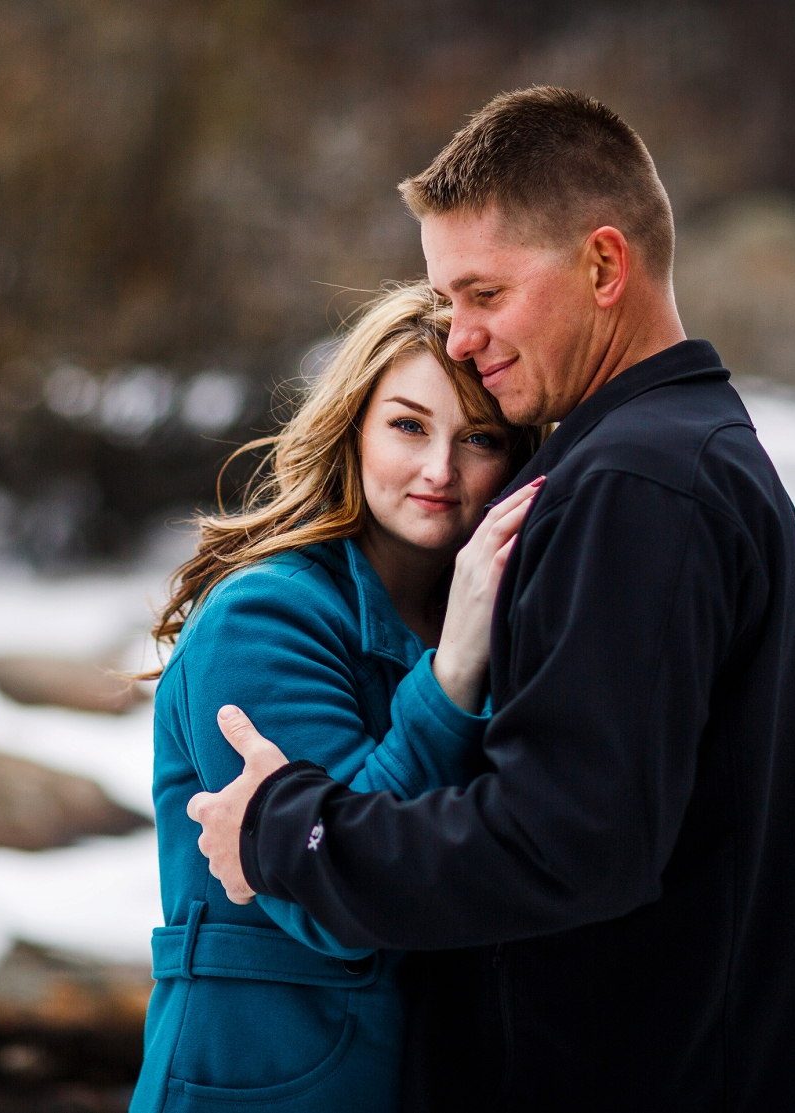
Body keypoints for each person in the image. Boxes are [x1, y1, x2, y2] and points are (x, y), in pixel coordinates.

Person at [187, 87, 795, 1111]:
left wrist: (290, 831)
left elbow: (564, 842)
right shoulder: (674, 456)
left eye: (483, 294)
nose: (457, 336)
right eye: (447, 302)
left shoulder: (634, 484)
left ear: (603, 265)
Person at [131, 283, 547, 1113]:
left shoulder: (497, 611)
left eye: (480, 438)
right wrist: (453, 671)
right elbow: (336, 890)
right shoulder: (265, 615)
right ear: (353, 424)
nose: (441, 469)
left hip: (421, 1065)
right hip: (264, 1073)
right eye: (408, 425)